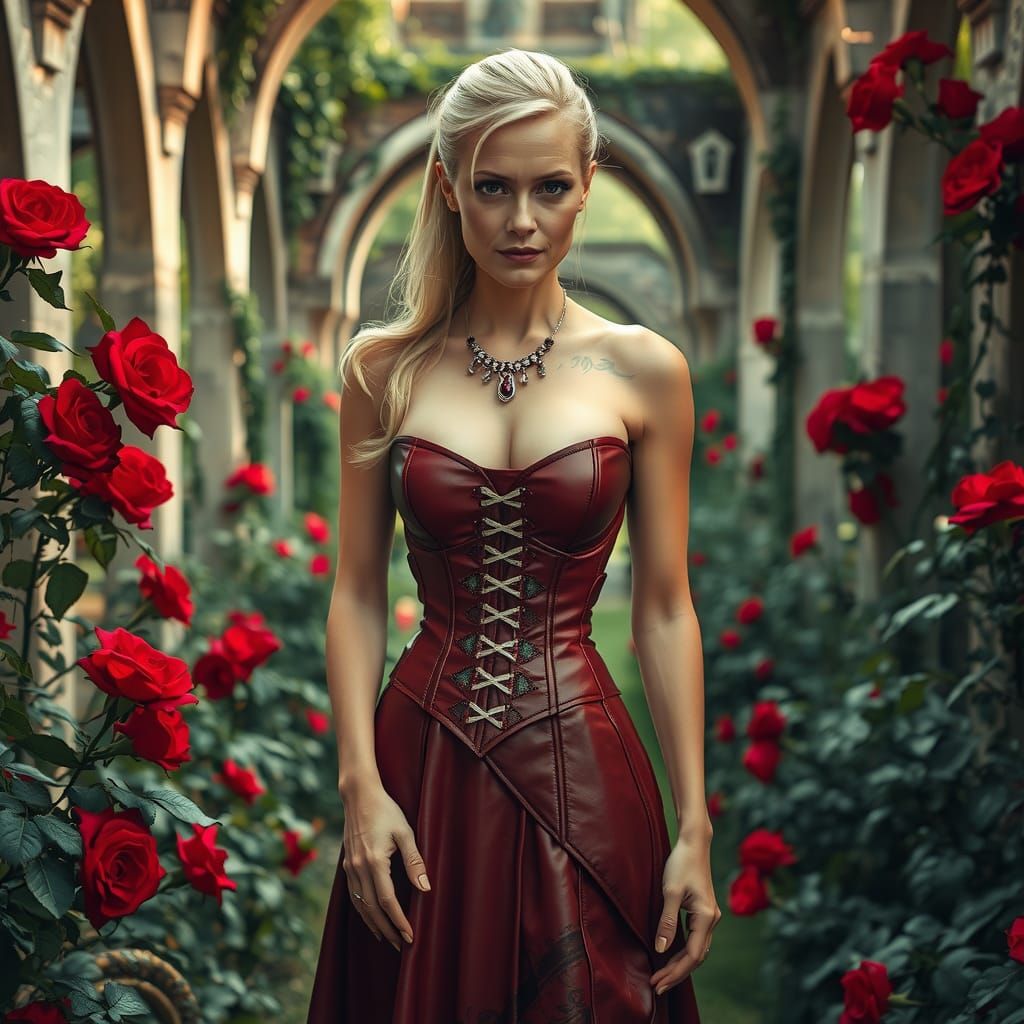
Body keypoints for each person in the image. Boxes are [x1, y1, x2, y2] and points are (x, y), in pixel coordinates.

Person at [307, 47, 717, 1023]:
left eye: (548, 187)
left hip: (586, 771)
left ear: (587, 189)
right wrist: (359, 787)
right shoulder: (381, 370)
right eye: (492, 187)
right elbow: (357, 591)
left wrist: (695, 823)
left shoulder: (645, 369)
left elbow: (663, 608)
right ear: (447, 188)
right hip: (422, 770)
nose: (520, 220)